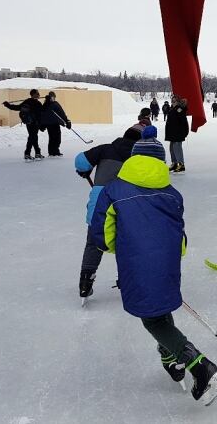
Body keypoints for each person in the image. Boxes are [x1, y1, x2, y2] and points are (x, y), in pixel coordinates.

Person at [90, 126, 217, 405]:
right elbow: (180, 234)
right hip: (168, 260)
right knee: (159, 307)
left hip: (136, 261)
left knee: (151, 317)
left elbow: (102, 236)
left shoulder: (114, 190)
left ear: (133, 159)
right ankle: (170, 358)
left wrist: (123, 248)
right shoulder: (172, 194)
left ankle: (200, 367)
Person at [74, 125, 142, 302]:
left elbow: (81, 161)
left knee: (93, 243)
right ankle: (127, 281)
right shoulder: (138, 157)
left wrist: (85, 170)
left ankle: (85, 283)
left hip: (99, 204)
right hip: (126, 204)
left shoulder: (105, 149)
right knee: (126, 244)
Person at [3, 89, 44, 160]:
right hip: (34, 123)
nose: (39, 95)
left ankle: (37, 153)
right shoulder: (37, 103)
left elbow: (17, 107)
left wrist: (8, 105)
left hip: (28, 123)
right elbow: (42, 113)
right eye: (37, 93)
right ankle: (28, 154)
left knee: (33, 137)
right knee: (32, 137)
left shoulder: (27, 102)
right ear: (33, 94)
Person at [41, 91, 71, 157]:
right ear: (49, 97)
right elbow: (43, 114)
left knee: (56, 138)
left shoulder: (55, 104)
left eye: (54, 97)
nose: (53, 98)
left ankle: (55, 151)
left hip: (55, 123)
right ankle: (52, 152)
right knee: (53, 138)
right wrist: (42, 125)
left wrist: (66, 121)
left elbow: (61, 113)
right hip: (50, 124)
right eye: (52, 97)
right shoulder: (46, 104)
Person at [165, 96, 188, 173]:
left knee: (177, 147)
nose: (173, 103)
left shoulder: (179, 109)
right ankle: (174, 163)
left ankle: (181, 164)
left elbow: (183, 121)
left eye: (174, 101)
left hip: (178, 132)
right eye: (172, 101)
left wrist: (184, 132)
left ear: (178, 102)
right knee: (172, 148)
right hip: (172, 132)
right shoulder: (173, 109)